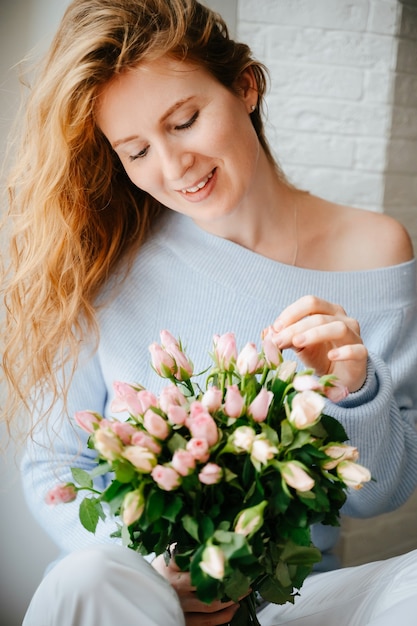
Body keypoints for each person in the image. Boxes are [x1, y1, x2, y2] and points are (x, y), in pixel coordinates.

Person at [1, 1, 417, 624]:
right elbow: (55, 464)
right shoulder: (113, 260)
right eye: (136, 151)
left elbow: (378, 498)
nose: (174, 169)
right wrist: (163, 569)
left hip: (294, 605)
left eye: (186, 121)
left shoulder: (375, 250)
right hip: (142, 595)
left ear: (246, 86)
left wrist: (354, 392)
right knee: (86, 579)